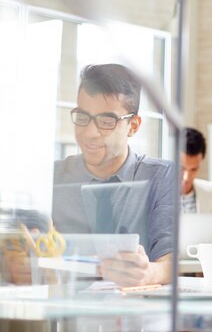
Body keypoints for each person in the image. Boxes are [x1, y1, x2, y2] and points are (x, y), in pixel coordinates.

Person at [52, 63, 176, 287]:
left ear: (133, 126)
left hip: (135, 312)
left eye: (106, 121)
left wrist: (148, 273)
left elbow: (170, 260)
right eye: (82, 117)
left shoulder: (160, 176)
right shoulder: (53, 178)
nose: (90, 133)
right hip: (66, 309)